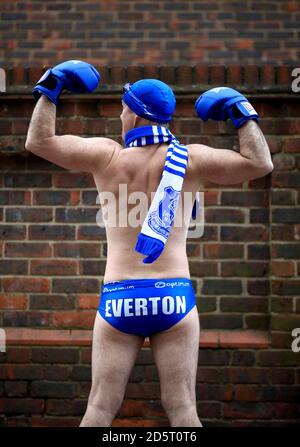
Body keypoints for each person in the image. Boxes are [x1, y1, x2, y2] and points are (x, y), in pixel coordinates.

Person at [25, 61, 273, 427]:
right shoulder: (190, 160)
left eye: (125, 108)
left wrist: (50, 87)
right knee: (184, 409)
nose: (121, 115)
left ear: (138, 115)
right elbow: (260, 163)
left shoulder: (107, 157)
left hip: (119, 296)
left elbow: (38, 141)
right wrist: (242, 112)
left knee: (99, 408)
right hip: (174, 296)